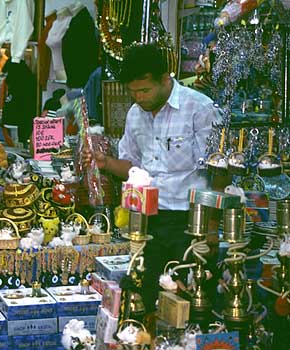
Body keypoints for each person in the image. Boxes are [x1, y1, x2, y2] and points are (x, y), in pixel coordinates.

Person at [84, 43, 224, 313]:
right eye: (133, 91)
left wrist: (212, 227)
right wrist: (105, 163)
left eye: (144, 90)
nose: (138, 98)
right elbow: (133, 169)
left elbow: (219, 170)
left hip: (191, 221)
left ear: (165, 79)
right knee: (147, 295)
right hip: (149, 222)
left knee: (191, 299)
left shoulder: (199, 108)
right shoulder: (135, 115)